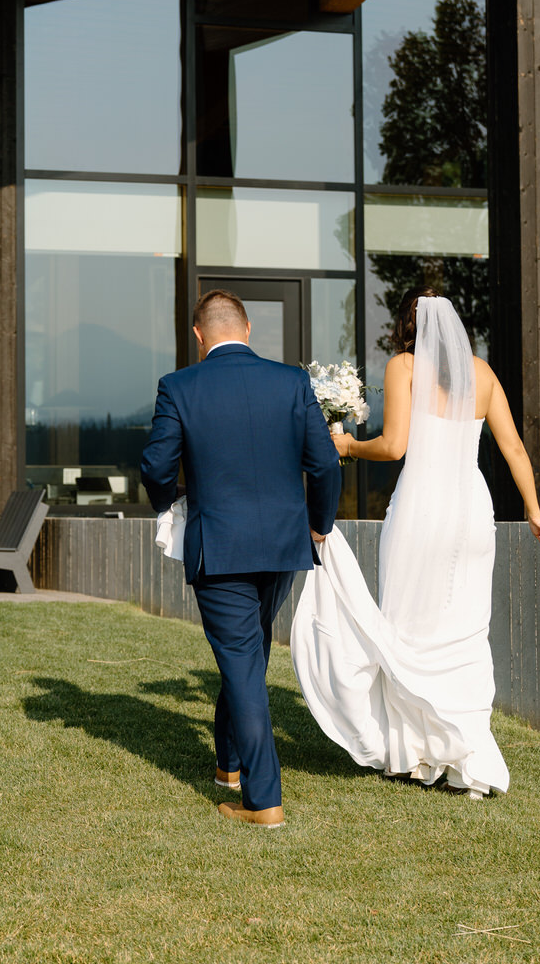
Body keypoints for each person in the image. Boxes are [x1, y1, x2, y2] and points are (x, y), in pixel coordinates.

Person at [291, 288, 540, 798]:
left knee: (409, 623)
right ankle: (465, 753)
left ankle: (411, 754)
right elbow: (514, 447)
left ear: (405, 326)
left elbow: (394, 446)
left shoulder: (404, 367)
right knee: (464, 628)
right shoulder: (483, 374)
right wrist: (534, 510)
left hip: (421, 509)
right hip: (474, 513)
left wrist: (346, 444)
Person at [141, 288, 341, 828]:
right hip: (282, 547)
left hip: (221, 545)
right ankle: (228, 765)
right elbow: (323, 464)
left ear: (198, 334)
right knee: (247, 655)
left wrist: (170, 507)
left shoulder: (178, 386)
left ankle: (264, 800)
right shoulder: (292, 381)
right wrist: (319, 524)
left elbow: (157, 466)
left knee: (243, 663)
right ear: (248, 330)